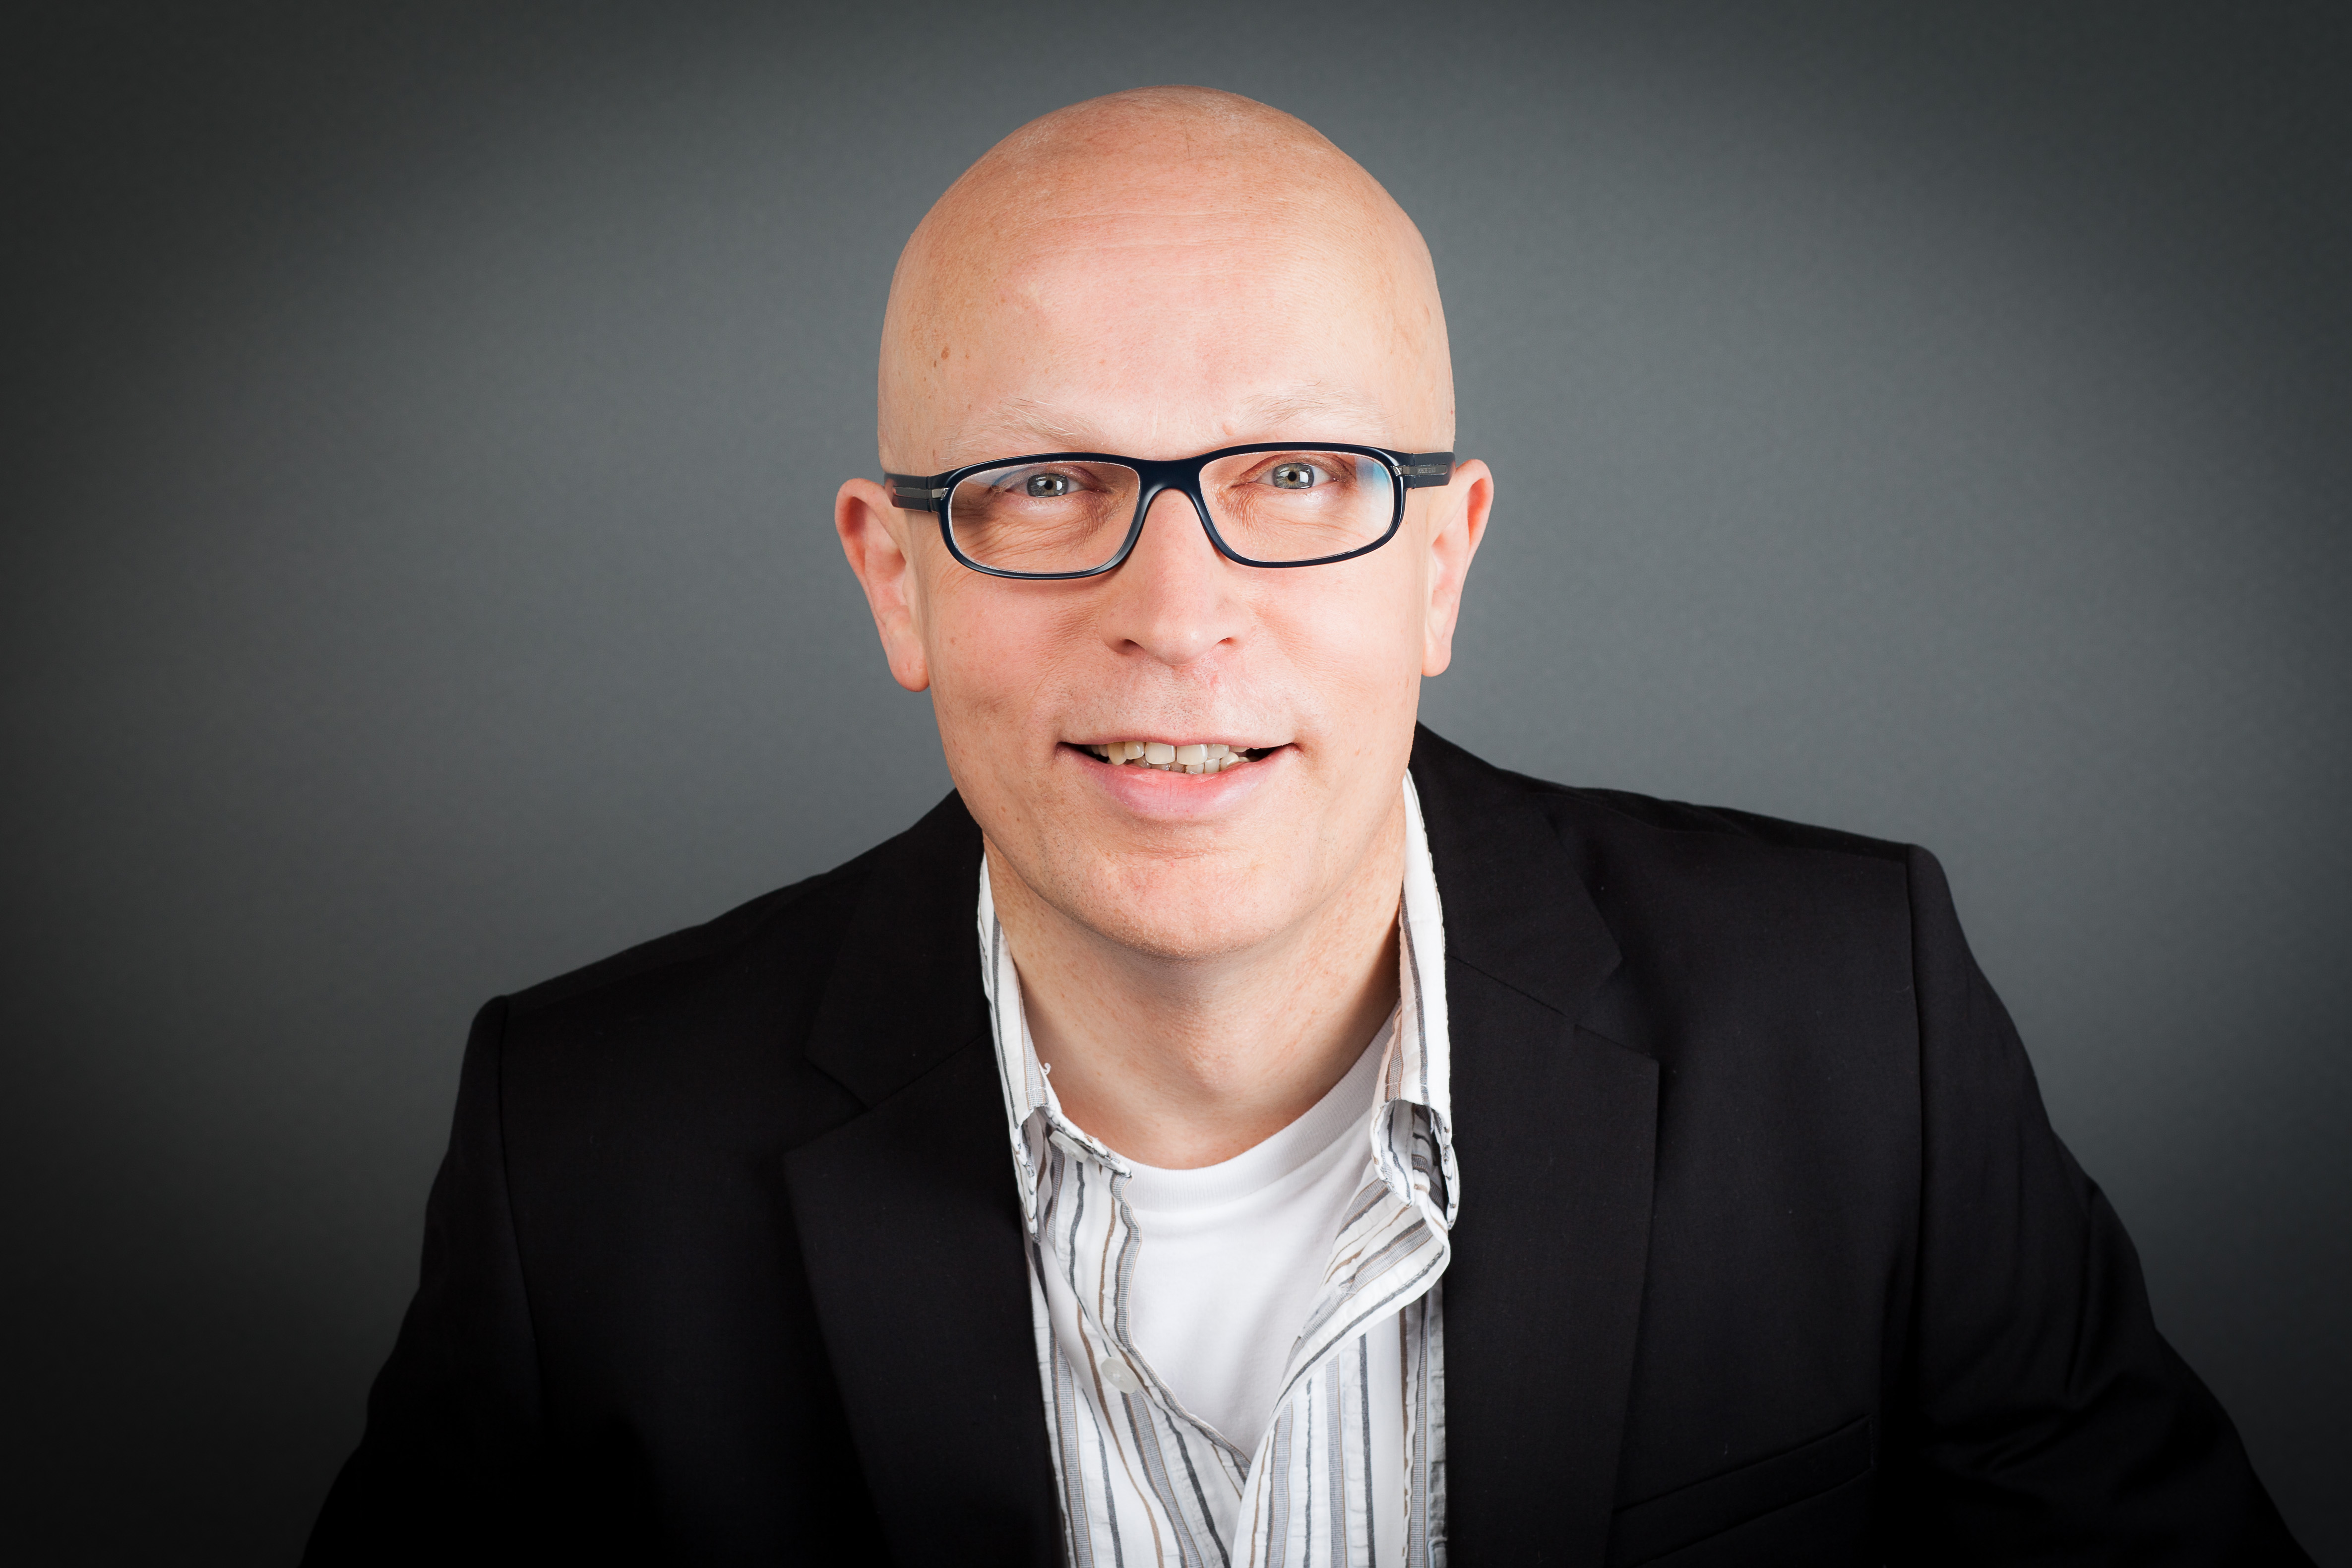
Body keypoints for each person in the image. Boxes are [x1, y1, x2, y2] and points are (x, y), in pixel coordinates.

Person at [304, 87, 2307, 1566]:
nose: (1177, 612)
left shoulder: (1858, 1028)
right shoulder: (583, 1149)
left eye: (1300, 474)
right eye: (1042, 485)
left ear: (1443, 559)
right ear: (893, 577)